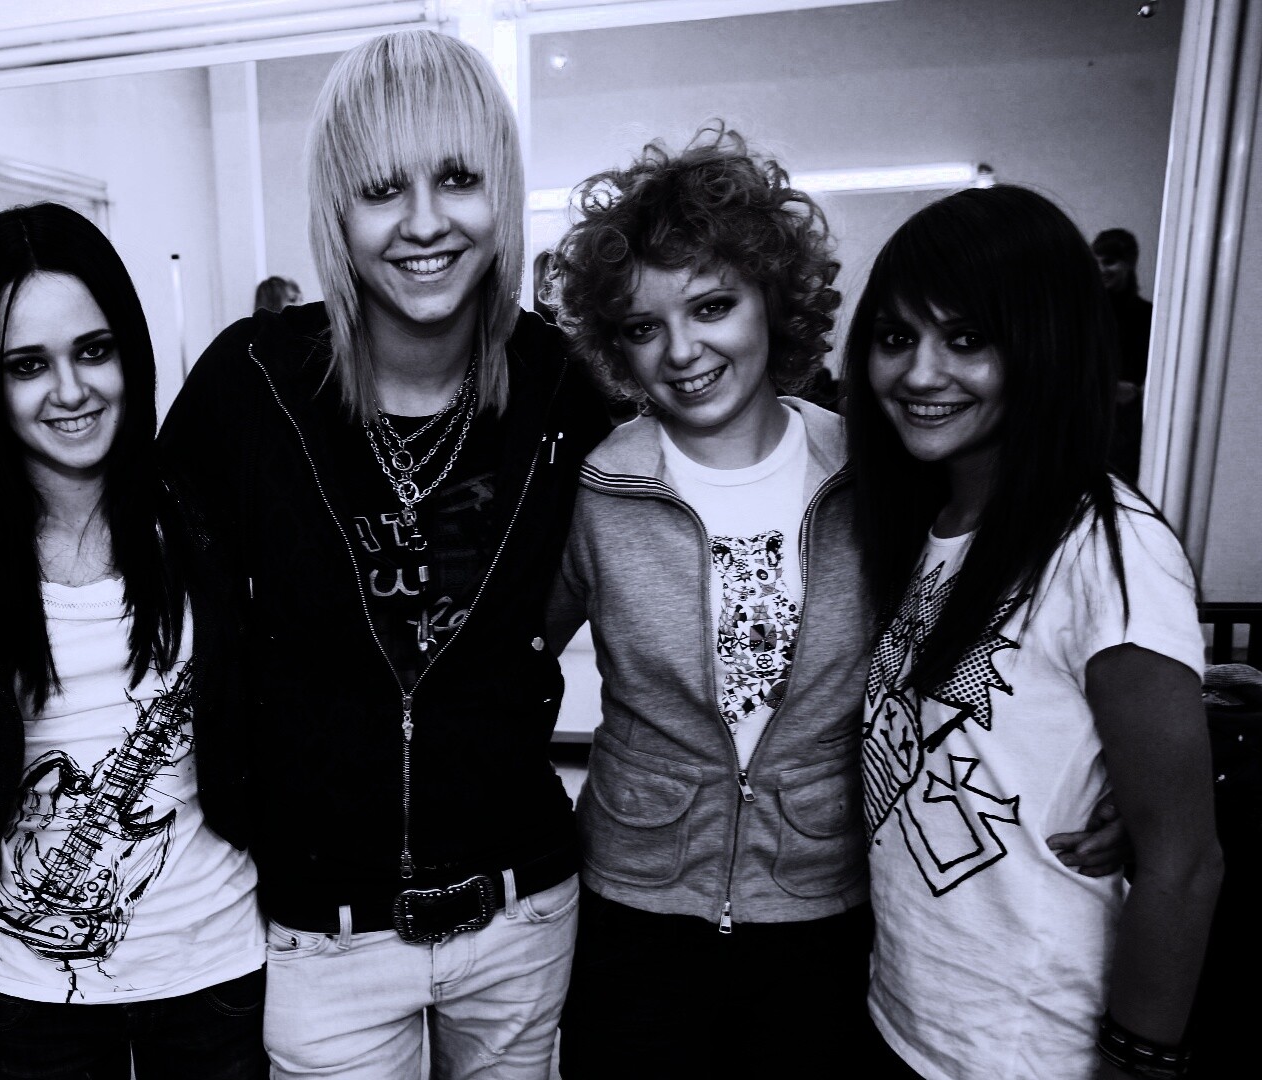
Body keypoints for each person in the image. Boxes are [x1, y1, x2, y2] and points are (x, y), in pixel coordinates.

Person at [160, 29, 610, 1079]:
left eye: (456, 178)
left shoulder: (561, 385)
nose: (423, 222)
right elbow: (141, 586)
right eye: (380, 189)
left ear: (499, 187)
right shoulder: (253, 384)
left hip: (522, 917)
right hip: (322, 940)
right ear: (337, 209)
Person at [0, 203, 264, 1080]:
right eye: (27, 365)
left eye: (94, 351)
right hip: (21, 998)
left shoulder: (206, 515)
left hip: (219, 973)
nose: (71, 391)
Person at [846, 186, 1222, 1079]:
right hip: (905, 1017)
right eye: (896, 337)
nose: (920, 374)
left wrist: (1137, 1061)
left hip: (1028, 1048)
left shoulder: (1108, 549)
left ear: (1045, 346)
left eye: (967, 339)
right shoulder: (926, 523)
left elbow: (1184, 861)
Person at [543, 126, 876, 1077]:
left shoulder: (868, 477)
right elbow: (505, 667)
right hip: (634, 904)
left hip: (819, 900)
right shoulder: (599, 488)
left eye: (713, 305)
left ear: (775, 296)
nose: (683, 351)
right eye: (643, 327)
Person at [1092, 228, 1154, 478]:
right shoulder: (1082, 314)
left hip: (1127, 425)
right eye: (1096, 262)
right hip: (1085, 418)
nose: (1101, 269)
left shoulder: (1149, 317)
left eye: (1109, 261)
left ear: (1129, 263)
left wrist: (1134, 392)